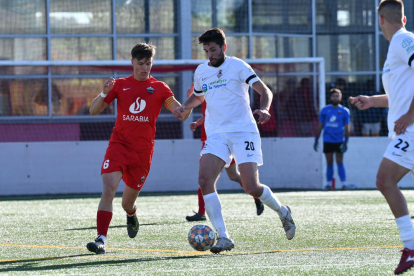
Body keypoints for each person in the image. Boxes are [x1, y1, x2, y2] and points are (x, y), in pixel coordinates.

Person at [173, 27, 296, 254]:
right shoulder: (201, 71)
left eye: (213, 50)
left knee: (251, 186)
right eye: (206, 50)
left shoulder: (238, 66)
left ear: (224, 48)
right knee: (204, 179)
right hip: (217, 134)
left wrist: (265, 109)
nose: (210, 54)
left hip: (243, 132)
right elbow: (199, 96)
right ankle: (224, 237)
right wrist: (184, 105)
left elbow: (264, 90)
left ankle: (282, 211)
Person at [86, 42, 193, 254]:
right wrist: (103, 93)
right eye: (141, 63)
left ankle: (131, 214)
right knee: (108, 188)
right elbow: (93, 110)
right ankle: (101, 239)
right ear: (132, 62)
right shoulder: (119, 85)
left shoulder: (161, 88)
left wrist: (189, 105)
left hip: (142, 153)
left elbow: (180, 114)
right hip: (119, 145)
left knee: (127, 203)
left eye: (149, 63)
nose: (145, 68)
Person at [350, 1, 414, 274]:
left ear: (380, 20)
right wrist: (372, 101)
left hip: (411, 130)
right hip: (406, 129)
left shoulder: (403, 40)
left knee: (384, 180)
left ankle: (411, 248)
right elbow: (400, 95)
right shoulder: (398, 45)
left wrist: (411, 115)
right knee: (387, 181)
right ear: (403, 17)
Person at [185, 100, 265, 222]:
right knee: (217, 178)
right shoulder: (208, 91)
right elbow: (208, 116)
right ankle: (202, 213)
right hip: (211, 141)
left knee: (217, 177)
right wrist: (198, 123)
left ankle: (257, 195)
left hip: (223, 140)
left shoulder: (219, 91)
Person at [314, 88, 351, 190]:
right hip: (328, 140)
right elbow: (320, 126)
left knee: (339, 162)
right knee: (329, 162)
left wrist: (346, 142)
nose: (335, 98)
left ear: (341, 97)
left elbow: (348, 127)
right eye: (334, 96)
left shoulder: (345, 111)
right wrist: (316, 139)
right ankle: (329, 184)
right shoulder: (325, 110)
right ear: (330, 97)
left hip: (339, 140)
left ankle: (344, 184)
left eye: (337, 96)